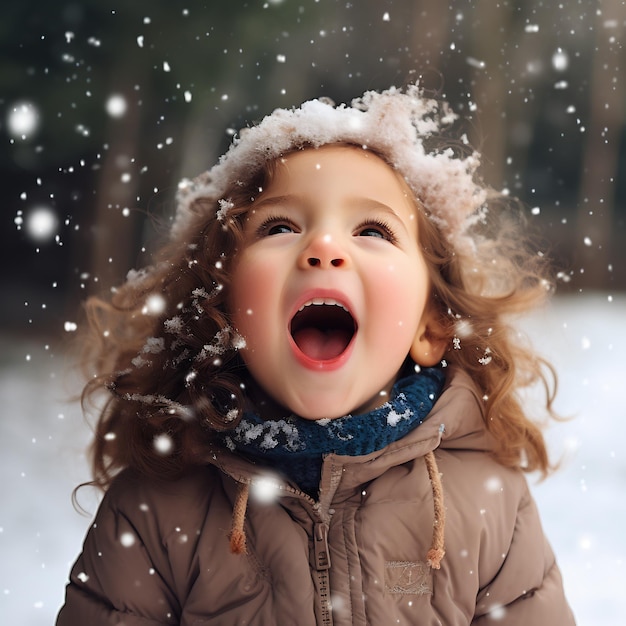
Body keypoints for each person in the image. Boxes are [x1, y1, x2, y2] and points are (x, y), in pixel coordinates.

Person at [56, 84, 575, 625]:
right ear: (224, 307)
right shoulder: (157, 508)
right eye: (280, 226)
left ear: (432, 325)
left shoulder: (487, 506)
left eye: (372, 230)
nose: (323, 248)